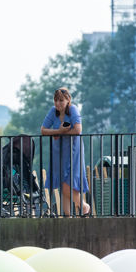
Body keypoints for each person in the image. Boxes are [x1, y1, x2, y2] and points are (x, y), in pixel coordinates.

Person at [40, 87, 91, 216]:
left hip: (73, 151)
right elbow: (43, 130)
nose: (58, 103)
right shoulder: (53, 111)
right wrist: (58, 131)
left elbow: (78, 130)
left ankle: (84, 206)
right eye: (56, 100)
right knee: (63, 184)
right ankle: (67, 216)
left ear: (68, 100)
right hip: (59, 151)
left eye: (61, 100)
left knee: (69, 183)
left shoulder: (73, 109)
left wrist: (62, 132)